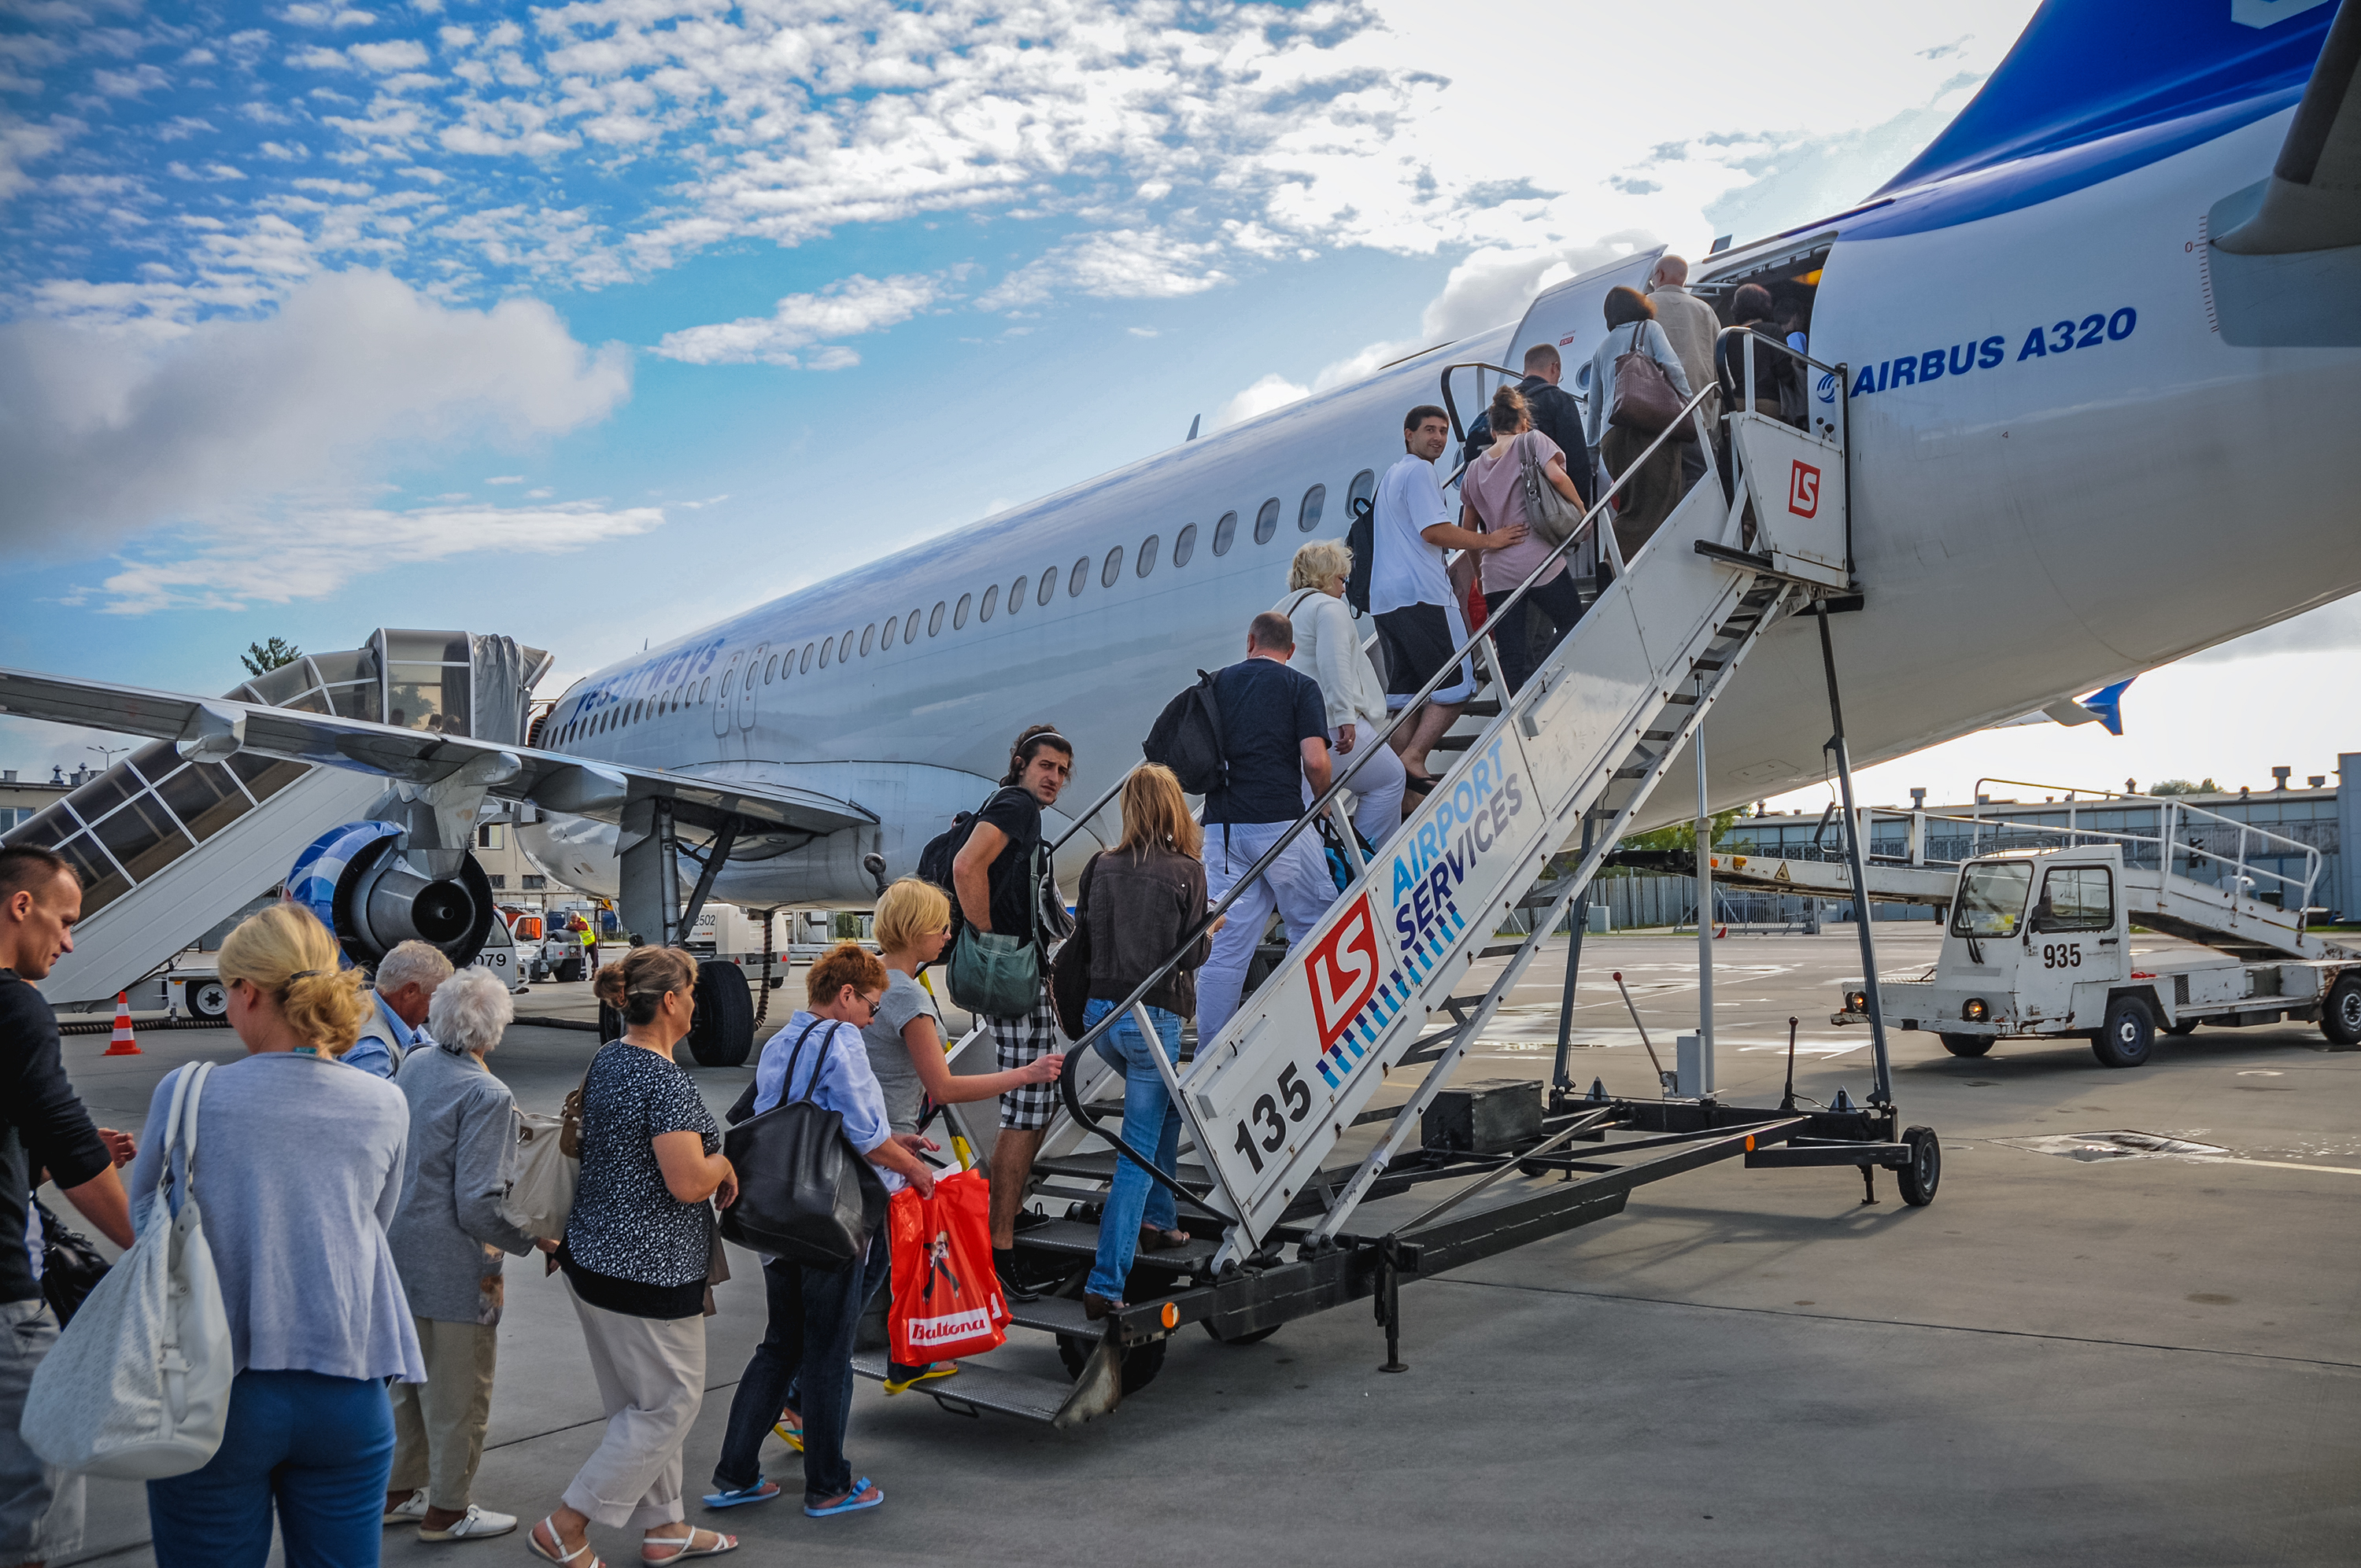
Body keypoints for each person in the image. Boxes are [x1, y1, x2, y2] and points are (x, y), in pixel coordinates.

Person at [127, 902, 425, 1568]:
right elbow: (376, 1225)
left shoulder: (187, 1092)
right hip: (348, 1383)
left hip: (213, 1384)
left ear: (246, 991)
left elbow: (142, 1221)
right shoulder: (385, 1101)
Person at [705, 944, 937, 1521]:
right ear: (847, 994)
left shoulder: (783, 1038)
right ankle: (830, 1483)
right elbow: (861, 1131)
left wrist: (889, 1141)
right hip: (830, 1218)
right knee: (829, 1349)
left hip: (779, 1212)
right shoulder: (844, 1040)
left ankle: (735, 1473)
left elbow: (798, 1116)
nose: (872, 1017)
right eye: (871, 1005)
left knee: (780, 1343)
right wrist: (912, 1167)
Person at [530, 946, 739, 1568]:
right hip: (649, 1271)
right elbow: (687, 1181)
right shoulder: (662, 1078)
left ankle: (664, 1525)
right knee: (671, 1403)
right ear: (671, 1000)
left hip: (592, 1259)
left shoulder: (609, 1060)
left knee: (639, 1405)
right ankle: (567, 1523)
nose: (697, 1003)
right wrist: (724, 1162)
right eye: (693, 992)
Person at [0, 847, 135, 1568]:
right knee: (33, 1517)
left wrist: (43, 1162)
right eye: (65, 919)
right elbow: (66, 1132)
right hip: (4, 1302)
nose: (70, 940)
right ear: (21, 907)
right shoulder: (15, 1003)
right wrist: (147, 1247)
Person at [382, 965, 545, 1544]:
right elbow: (479, 1201)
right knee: (460, 1392)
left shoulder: (418, 1064)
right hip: (456, 1265)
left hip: (402, 1250)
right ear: (495, 1028)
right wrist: (540, 1239)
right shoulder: (486, 1093)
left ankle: (399, 1490)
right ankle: (448, 1510)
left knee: (409, 1383)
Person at [1073, 765, 1213, 1319]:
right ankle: (1106, 1282)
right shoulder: (1187, 869)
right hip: (1153, 1017)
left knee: (1165, 1113)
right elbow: (1194, 954)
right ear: (1175, 806)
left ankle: (1160, 1220)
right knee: (1136, 1149)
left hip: (1100, 1017)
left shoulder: (1100, 865)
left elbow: (1086, 929)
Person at [948, 724, 1073, 1289]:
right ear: (1021, 763)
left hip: (1022, 971)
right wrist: (990, 939)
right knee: (1027, 1106)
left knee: (1037, 1100)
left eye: (1063, 772)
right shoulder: (1017, 804)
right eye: (1046, 765)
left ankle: (1010, 1214)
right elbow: (966, 867)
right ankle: (1000, 1247)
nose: (1055, 779)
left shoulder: (1013, 806)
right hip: (1010, 970)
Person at [1195, 611, 1338, 1042]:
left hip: (1220, 829)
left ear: (1250, 641)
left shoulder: (1216, 684)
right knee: (1317, 923)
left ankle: (1210, 1049)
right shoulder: (1299, 686)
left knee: (1225, 943)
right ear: (1291, 651)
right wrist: (1324, 805)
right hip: (1279, 826)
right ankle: (1291, 1032)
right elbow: (1315, 760)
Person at [1370, 405, 1529, 790]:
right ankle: (1415, 757)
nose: (1438, 438)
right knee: (1459, 683)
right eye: (1429, 430)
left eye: (1443, 431)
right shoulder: (1421, 471)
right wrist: (1489, 541)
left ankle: (1395, 781)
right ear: (1408, 434)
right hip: (1423, 594)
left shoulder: (1390, 476)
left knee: (1411, 697)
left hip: (1385, 600)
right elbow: (1434, 531)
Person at [865, 877, 1066, 1139]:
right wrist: (1028, 1073)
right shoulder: (908, 997)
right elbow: (944, 1089)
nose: (948, 935)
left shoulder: (864, 974)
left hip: (861, 1129)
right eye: (941, 926)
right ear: (915, 929)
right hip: (892, 1137)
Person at [1459, 384, 1591, 695]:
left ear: (1492, 430)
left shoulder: (1474, 470)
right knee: (1573, 621)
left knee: (1511, 653)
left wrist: (1480, 574)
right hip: (1538, 559)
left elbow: (1468, 533)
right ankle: (1543, 677)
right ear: (1523, 422)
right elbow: (1557, 477)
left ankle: (1516, 710)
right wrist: (1582, 509)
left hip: (1497, 572)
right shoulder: (1532, 441)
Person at [1275, 540, 1406, 847]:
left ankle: (1329, 864)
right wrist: (1346, 715)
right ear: (1324, 576)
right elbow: (1334, 662)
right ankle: (1365, 857)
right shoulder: (1329, 607)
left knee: (1304, 810)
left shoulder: (1282, 610)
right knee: (1389, 779)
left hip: (1290, 729)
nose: (1344, 588)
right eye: (1340, 579)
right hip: (1331, 724)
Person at [1582, 286, 1698, 567]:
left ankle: (1616, 566)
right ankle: (1630, 567)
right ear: (1640, 305)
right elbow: (1673, 367)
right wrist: (1692, 406)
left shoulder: (1601, 348)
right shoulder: (1650, 328)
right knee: (1660, 503)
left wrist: (1593, 450)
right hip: (1647, 428)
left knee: (1633, 506)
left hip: (1613, 438)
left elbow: (1594, 407)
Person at [1458, 344, 1594, 510]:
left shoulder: (1498, 407)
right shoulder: (1559, 400)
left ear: (1524, 374)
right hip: (1547, 513)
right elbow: (1576, 460)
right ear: (1555, 368)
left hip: (1500, 521)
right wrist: (1581, 508)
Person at [348, 939, 453, 1079]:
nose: (438, 1007)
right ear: (410, 991)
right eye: (435, 997)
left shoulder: (394, 1012)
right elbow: (380, 1101)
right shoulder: (372, 1048)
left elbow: (433, 1051)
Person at [1646, 254, 1722, 430]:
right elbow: (1719, 360)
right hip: (1700, 405)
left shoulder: (1645, 305)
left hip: (1655, 408)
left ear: (1660, 275)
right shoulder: (1705, 310)